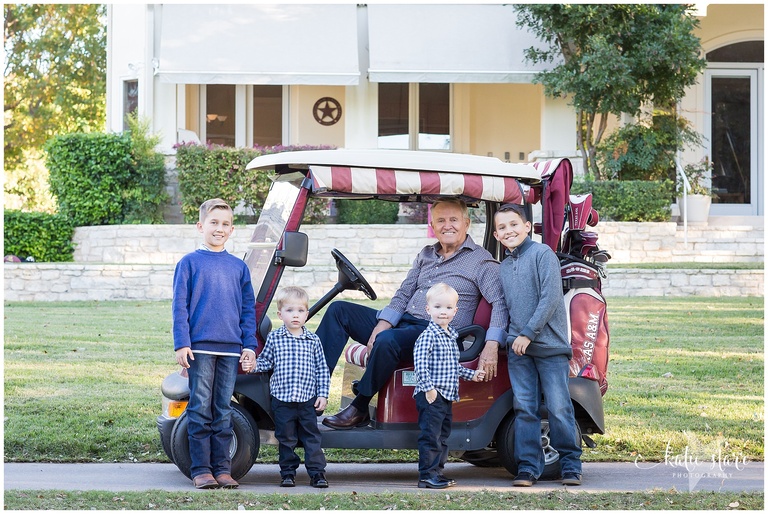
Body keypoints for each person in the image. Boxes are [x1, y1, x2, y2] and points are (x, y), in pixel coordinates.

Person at [318, 197, 507, 430]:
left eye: (453, 220)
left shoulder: (481, 261)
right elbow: (404, 292)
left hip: (436, 333)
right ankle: (311, 394)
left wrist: (491, 345)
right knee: (340, 311)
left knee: (388, 341)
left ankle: (360, 407)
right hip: (404, 324)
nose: (447, 225)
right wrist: (383, 323)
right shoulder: (426, 254)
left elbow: (499, 303)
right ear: (433, 225)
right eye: (440, 220)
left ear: (466, 224)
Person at [492, 203, 583, 487]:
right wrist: (510, 337)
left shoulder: (542, 254)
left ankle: (570, 465)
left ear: (527, 227)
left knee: (558, 408)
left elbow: (551, 297)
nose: (509, 231)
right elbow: (506, 307)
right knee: (524, 409)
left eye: (514, 224)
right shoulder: (504, 267)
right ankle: (529, 467)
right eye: (502, 228)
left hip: (549, 347)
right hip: (519, 349)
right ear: (496, 235)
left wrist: (529, 333)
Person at [172, 198, 257, 489]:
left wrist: (249, 345)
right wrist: (182, 343)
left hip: (230, 351)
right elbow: (179, 306)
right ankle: (200, 470)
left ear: (231, 230)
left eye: (225, 224)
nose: (219, 229)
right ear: (200, 226)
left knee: (222, 410)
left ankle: (223, 470)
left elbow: (248, 310)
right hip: (200, 350)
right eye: (213, 223)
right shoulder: (189, 263)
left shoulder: (238, 268)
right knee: (199, 409)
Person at [242, 286, 331, 488]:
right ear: (280, 314)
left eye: (300, 311)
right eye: (290, 311)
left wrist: (323, 395)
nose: (295, 315)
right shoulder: (275, 338)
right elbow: (266, 362)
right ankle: (288, 473)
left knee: (311, 438)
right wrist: (253, 364)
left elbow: (322, 370)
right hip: (282, 400)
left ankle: (317, 473)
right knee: (286, 438)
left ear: (307, 314)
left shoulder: (313, 341)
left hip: (307, 400)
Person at [413, 283, 485, 489]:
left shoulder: (451, 336)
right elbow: (420, 364)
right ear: (428, 310)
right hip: (432, 395)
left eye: (447, 308)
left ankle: (437, 472)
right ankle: (426, 475)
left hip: (446, 395)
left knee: (442, 436)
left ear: (455, 310)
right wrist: (429, 389)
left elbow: (454, 367)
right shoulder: (428, 336)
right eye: (437, 307)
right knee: (431, 436)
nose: (442, 312)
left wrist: (473, 375)